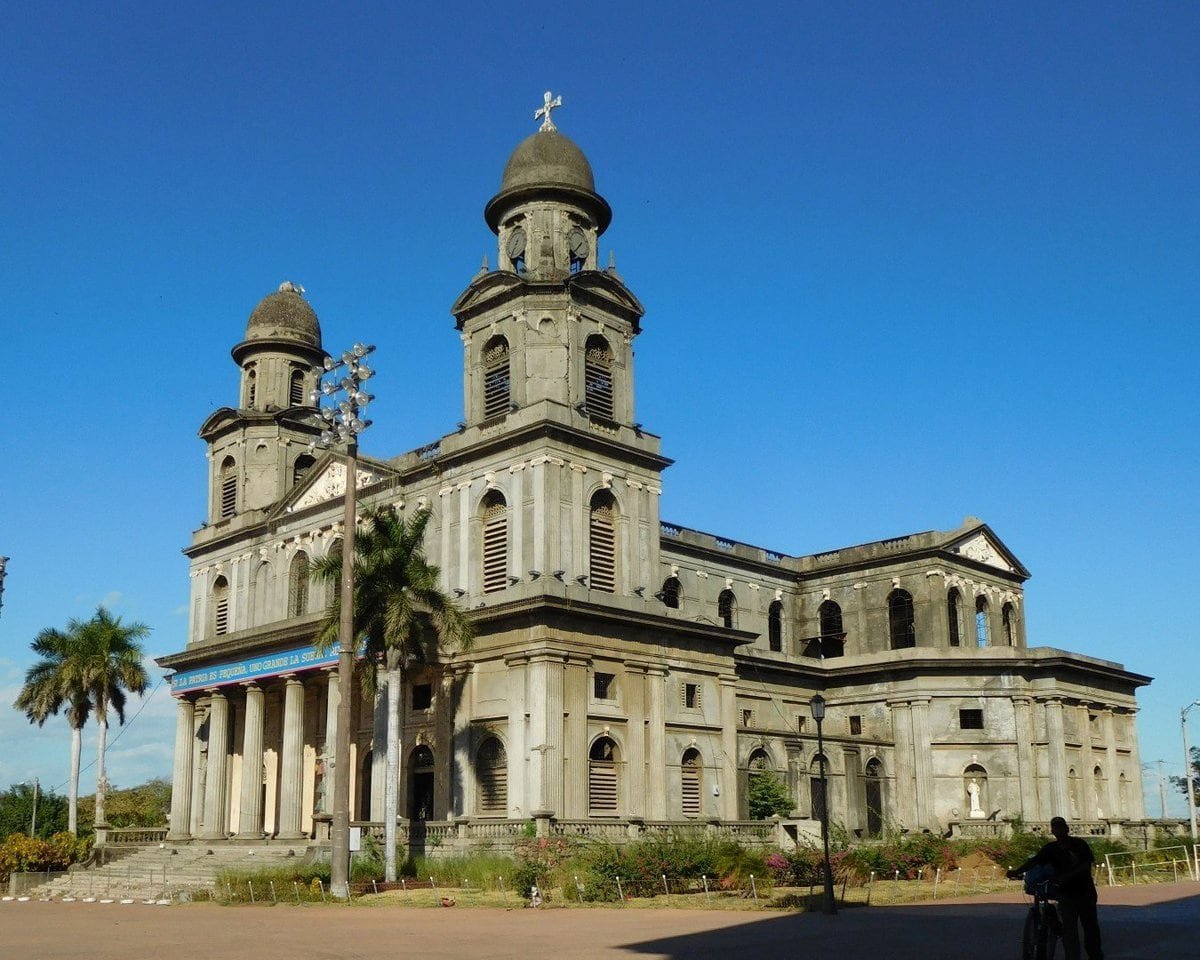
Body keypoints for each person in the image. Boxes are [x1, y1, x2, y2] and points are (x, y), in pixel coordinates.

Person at [1006, 816, 1104, 960]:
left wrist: (1067, 876)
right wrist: (1017, 871)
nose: (1058, 830)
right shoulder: (1051, 849)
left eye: (1060, 827)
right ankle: (1072, 957)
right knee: (1069, 928)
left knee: (1090, 927)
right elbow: (1034, 861)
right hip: (1065, 893)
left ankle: (1095, 955)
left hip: (1084, 891)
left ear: (1067, 829)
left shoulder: (1079, 844)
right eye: (1055, 828)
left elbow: (1085, 865)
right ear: (1052, 831)